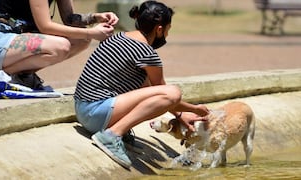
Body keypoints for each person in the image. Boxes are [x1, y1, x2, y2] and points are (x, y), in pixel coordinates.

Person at [74, 0, 210, 169]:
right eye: (168, 30)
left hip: (82, 110)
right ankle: (112, 135)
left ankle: (119, 133)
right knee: (173, 92)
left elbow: (148, 91)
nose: (166, 35)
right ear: (159, 29)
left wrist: (181, 116)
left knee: (163, 93)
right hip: (96, 114)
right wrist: (195, 110)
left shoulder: (118, 37)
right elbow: (165, 95)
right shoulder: (146, 53)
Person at [0, 0, 119, 90]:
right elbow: (45, 26)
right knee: (61, 46)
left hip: (18, 37)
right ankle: (4, 76)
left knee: (81, 40)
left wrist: (95, 17)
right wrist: (92, 33)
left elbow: (69, 18)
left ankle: (22, 76)